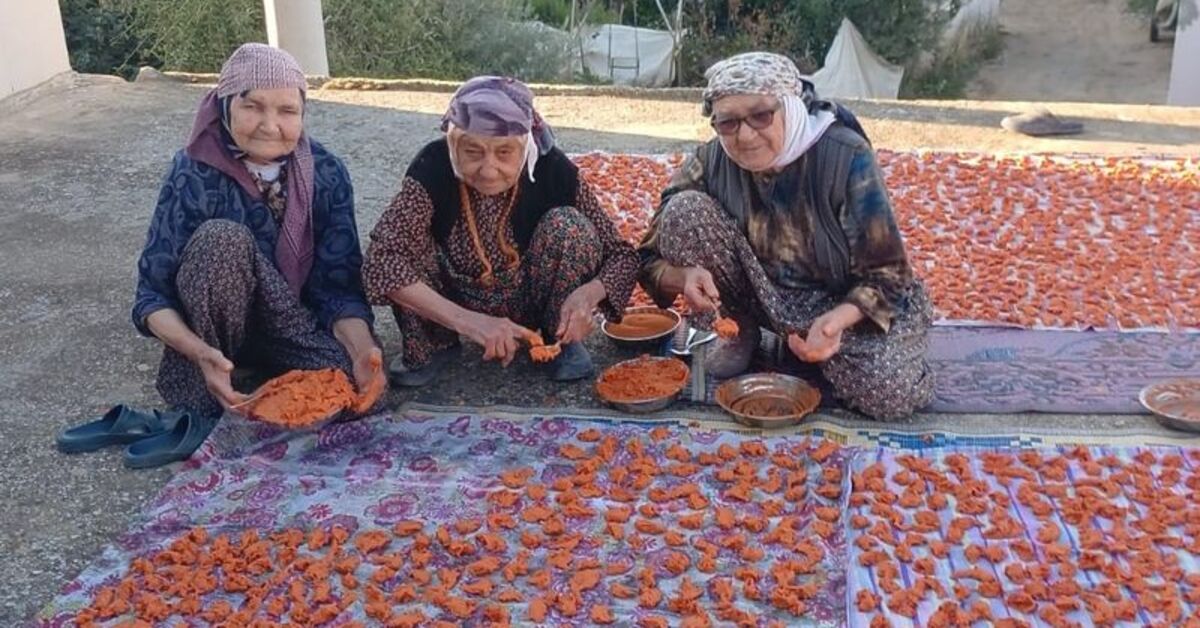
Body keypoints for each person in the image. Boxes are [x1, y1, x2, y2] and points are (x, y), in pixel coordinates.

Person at [637, 52, 934, 420]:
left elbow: (888, 274)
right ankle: (739, 331)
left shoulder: (845, 157)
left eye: (761, 115)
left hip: (840, 302)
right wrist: (683, 277)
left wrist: (836, 322)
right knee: (684, 211)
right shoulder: (711, 160)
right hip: (765, 297)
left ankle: (821, 351)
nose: (745, 135)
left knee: (890, 393)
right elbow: (647, 256)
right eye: (728, 122)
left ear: (792, 107)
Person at [133, 43, 383, 438]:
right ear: (225, 106)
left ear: (303, 114)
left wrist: (362, 350)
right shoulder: (192, 173)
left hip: (290, 322)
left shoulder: (327, 173)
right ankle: (212, 376)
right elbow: (151, 297)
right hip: (210, 334)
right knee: (222, 239)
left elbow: (339, 287)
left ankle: (266, 367)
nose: (270, 125)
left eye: (287, 111)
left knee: (354, 392)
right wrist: (198, 352)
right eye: (252, 107)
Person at [363, 76, 638, 385]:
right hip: (451, 296)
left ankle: (556, 339)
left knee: (569, 228)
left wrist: (587, 297)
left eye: (505, 152)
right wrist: (469, 322)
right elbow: (380, 262)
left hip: (531, 297)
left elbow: (623, 256)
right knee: (403, 241)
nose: (489, 169)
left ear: (526, 148)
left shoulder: (552, 170)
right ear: (454, 146)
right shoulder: (433, 167)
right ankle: (432, 343)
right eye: (473, 152)